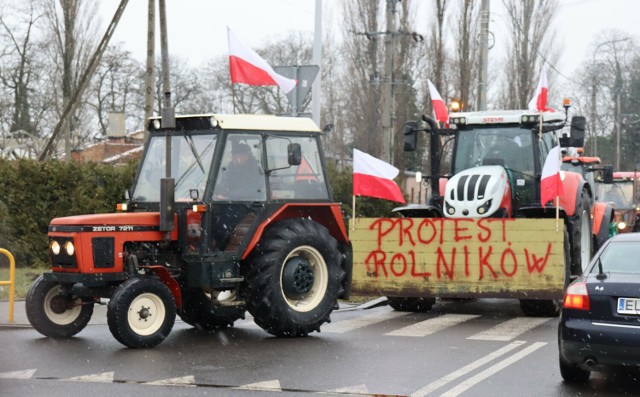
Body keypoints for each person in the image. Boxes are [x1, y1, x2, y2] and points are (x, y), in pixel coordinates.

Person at [212, 142, 264, 250]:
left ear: (246, 156)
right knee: (209, 214)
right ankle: (210, 243)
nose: (234, 158)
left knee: (224, 223)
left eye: (237, 155)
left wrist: (229, 196)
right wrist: (217, 190)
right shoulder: (231, 167)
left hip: (247, 203)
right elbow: (224, 182)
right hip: (229, 200)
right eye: (233, 155)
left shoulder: (255, 169)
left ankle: (220, 249)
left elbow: (249, 190)